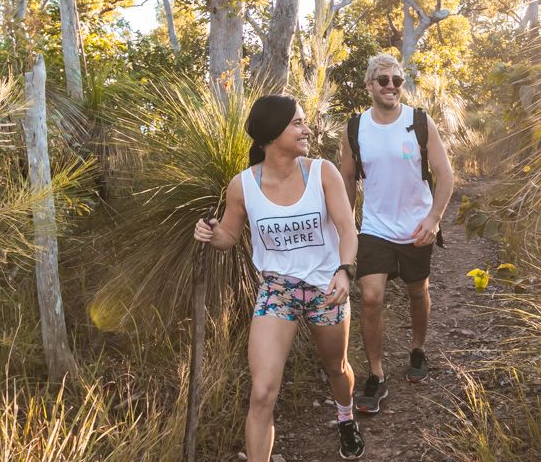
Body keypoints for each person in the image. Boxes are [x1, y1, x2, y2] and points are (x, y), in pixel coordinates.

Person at [193, 95, 366, 461]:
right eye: (297, 124)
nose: (307, 129)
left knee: (337, 368)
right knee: (262, 392)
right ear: (271, 134)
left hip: (327, 287)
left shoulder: (322, 172)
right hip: (277, 290)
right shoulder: (242, 186)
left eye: (304, 122)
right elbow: (228, 237)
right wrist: (211, 232)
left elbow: (348, 230)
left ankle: (346, 418)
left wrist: (345, 271)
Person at [340, 54, 455, 414]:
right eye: (383, 80)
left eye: (397, 80)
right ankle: (376, 374)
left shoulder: (419, 122)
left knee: (416, 291)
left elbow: (445, 174)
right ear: (370, 85)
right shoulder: (355, 128)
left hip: (416, 226)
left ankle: (418, 350)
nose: (391, 85)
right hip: (375, 228)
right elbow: (346, 179)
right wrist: (346, 226)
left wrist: (433, 220)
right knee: (371, 298)